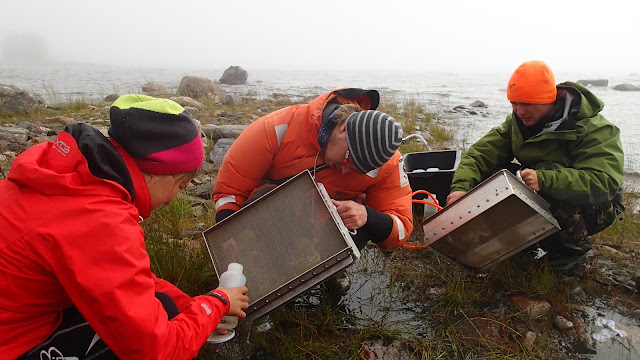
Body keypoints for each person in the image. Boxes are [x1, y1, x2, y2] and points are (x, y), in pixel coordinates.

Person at [0, 95, 249, 360]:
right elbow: (156, 351)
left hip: (20, 320)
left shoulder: (70, 176)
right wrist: (216, 304)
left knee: (163, 306)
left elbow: (128, 282)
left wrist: (193, 306)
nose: (170, 199)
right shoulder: (101, 218)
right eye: (180, 185)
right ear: (158, 170)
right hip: (13, 344)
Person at [212, 88, 414, 290]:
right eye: (348, 159)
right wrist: (227, 233)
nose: (345, 171)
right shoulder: (276, 128)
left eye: (358, 170)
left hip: (327, 216)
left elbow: (401, 226)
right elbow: (229, 189)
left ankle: (335, 268)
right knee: (269, 203)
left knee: (359, 221)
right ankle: (277, 269)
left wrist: (367, 215)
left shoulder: (389, 164)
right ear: (343, 128)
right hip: (279, 211)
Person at [447, 60, 624, 270]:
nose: (520, 111)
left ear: (549, 100)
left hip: (598, 206)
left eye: (527, 104)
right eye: (514, 103)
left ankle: (570, 251)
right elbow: (479, 155)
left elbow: (605, 182)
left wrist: (544, 180)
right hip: (543, 188)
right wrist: (460, 189)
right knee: (495, 175)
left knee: (545, 181)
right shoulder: (517, 124)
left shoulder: (592, 128)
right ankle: (526, 238)